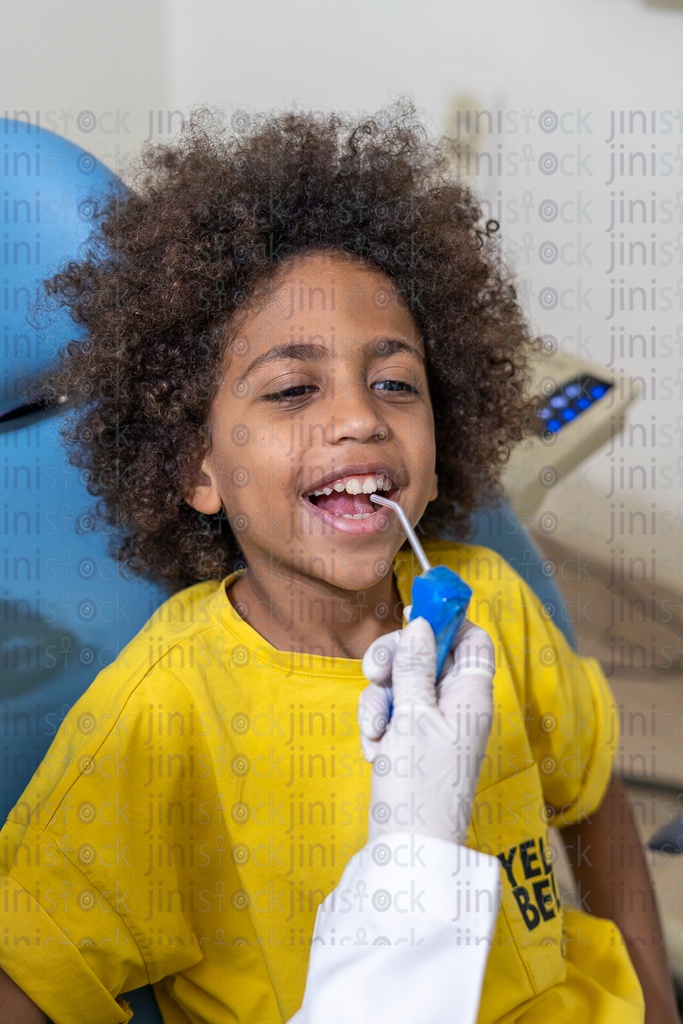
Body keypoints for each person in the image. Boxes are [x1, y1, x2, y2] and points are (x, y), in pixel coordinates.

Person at [0, 105, 676, 1023]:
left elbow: (590, 794)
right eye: (290, 389)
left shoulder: (494, 608)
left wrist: (650, 996)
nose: (360, 417)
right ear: (196, 465)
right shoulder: (160, 722)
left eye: (395, 382)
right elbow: (28, 974)